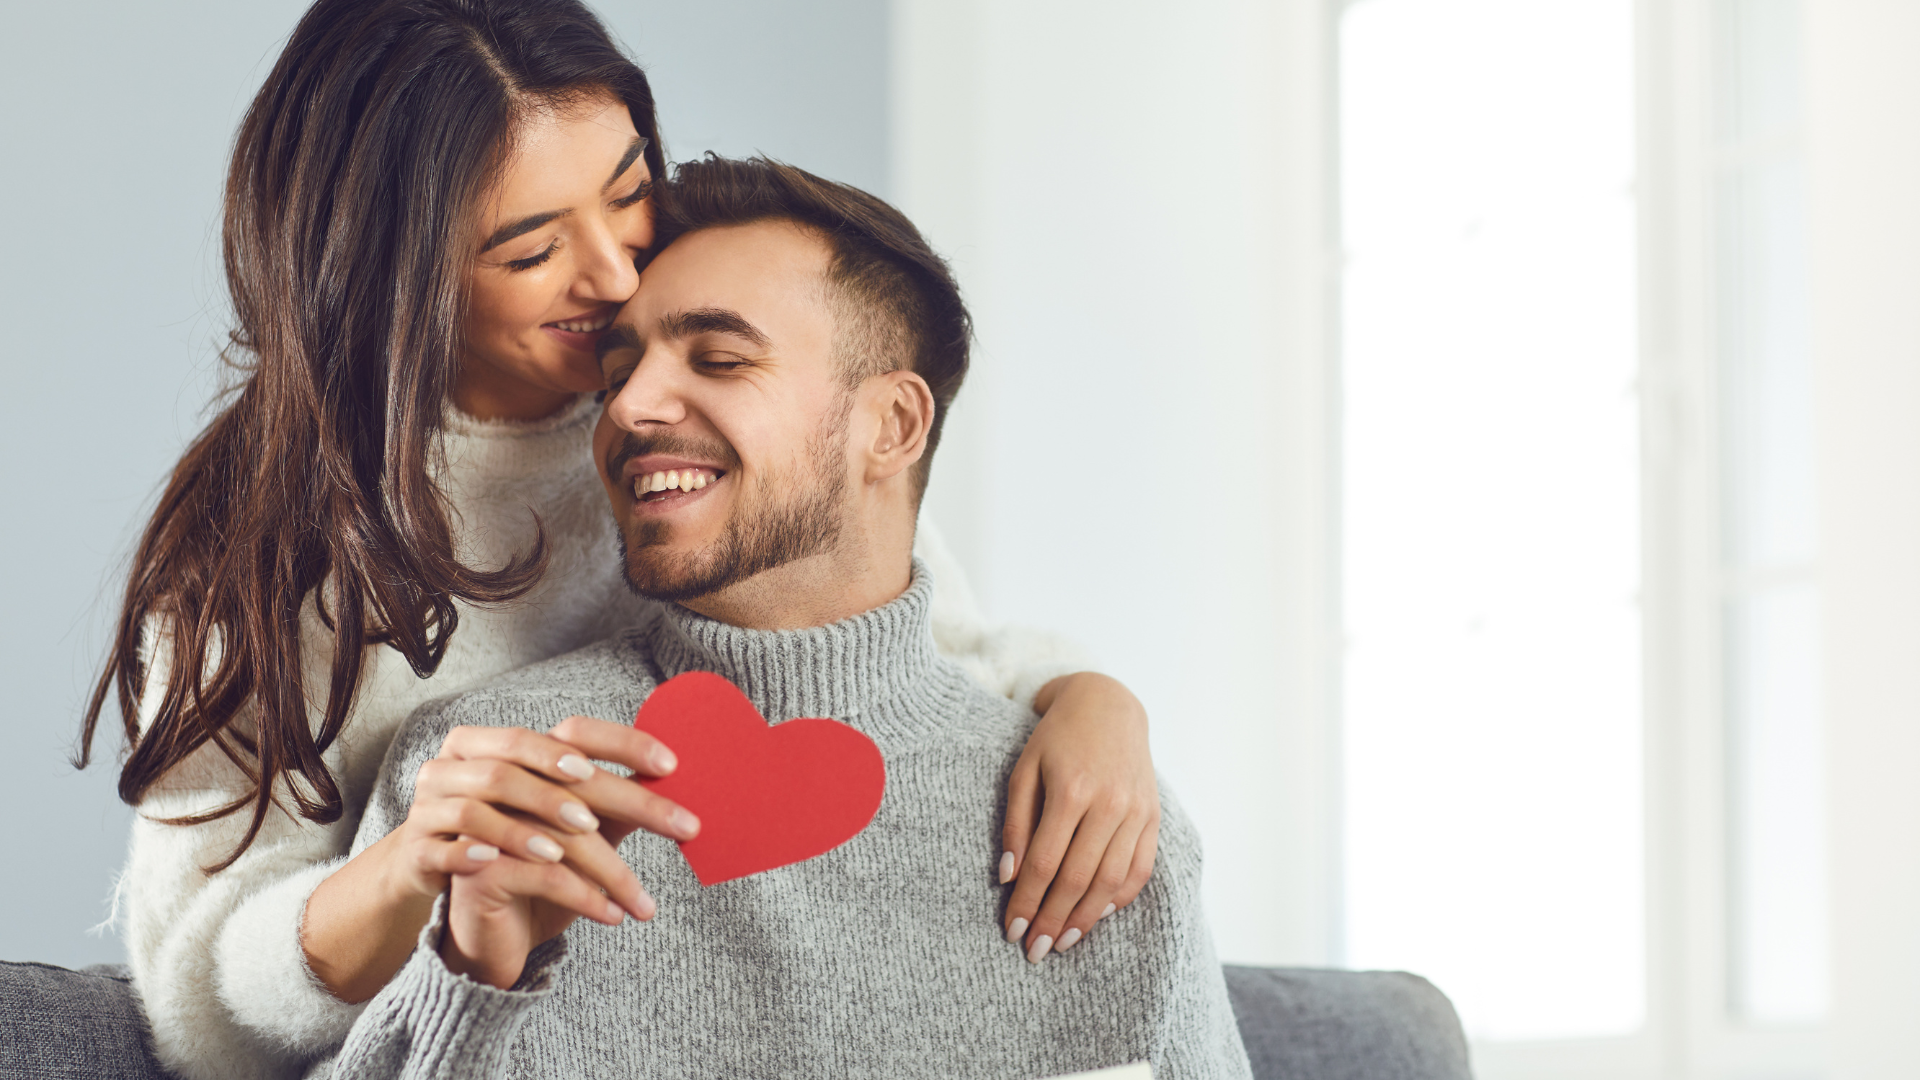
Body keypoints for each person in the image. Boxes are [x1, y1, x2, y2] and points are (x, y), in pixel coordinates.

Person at [80, 3, 1161, 1079]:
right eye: (533, 247)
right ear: (394, 272)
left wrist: (1093, 701)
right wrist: (415, 868)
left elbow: (913, 650)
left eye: (631, 189)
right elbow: (196, 1013)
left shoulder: (717, 433)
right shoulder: (267, 561)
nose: (614, 274)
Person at [318, 154, 1252, 1080]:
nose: (629, 407)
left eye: (719, 358)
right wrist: (472, 981)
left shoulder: (1100, 814)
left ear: (890, 426)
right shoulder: (489, 774)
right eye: (618, 373)